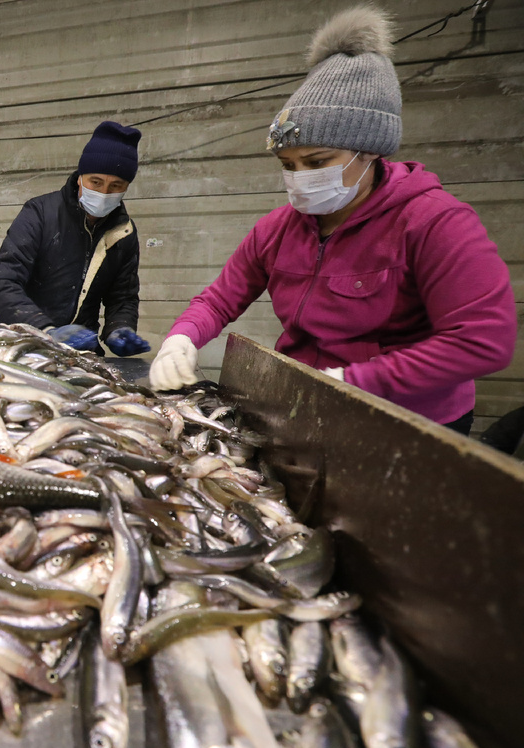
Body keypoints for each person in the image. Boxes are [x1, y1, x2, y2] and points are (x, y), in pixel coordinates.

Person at [148, 6, 516, 435]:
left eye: (317, 161)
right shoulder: (277, 230)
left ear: (370, 152)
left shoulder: (435, 223)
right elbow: (218, 300)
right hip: (306, 402)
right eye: (288, 163)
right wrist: (182, 338)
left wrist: (353, 382)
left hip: (406, 421)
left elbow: (481, 340)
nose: (300, 178)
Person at [0, 121, 150, 357]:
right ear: (80, 177)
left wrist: (119, 328)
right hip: (21, 347)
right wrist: (45, 328)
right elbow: (3, 283)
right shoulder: (40, 213)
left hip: (81, 352)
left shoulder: (123, 232)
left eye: (116, 186)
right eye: (96, 182)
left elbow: (122, 297)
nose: (104, 193)